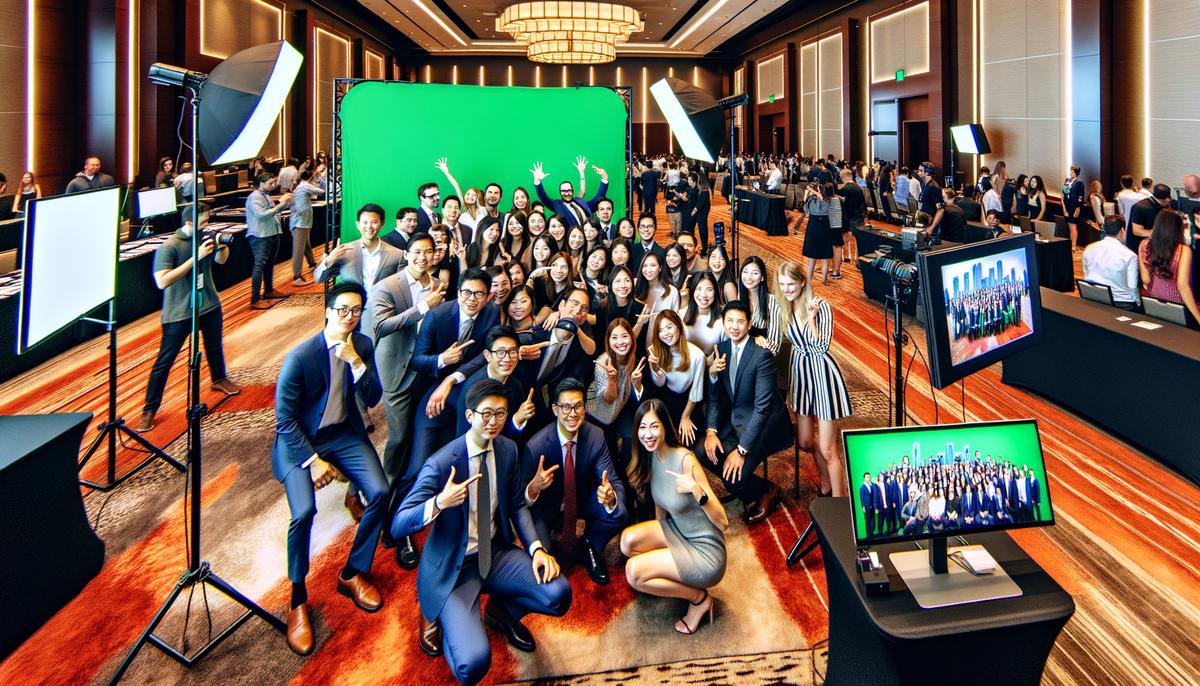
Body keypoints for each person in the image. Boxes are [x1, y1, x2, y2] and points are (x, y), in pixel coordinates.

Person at [392, 379, 571, 684]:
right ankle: (441, 615)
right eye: (486, 414)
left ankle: (500, 612)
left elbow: (516, 506)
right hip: (455, 567)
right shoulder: (439, 464)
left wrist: (537, 549)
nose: (493, 422)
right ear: (470, 416)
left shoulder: (508, 450)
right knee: (473, 664)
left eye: (500, 414)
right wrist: (438, 502)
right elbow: (398, 523)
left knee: (559, 594)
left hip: (495, 552)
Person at [273, 282, 389, 657]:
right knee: (304, 511)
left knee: (381, 492)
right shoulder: (300, 356)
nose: (349, 317)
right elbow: (284, 420)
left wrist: (356, 362)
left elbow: (373, 397)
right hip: (300, 443)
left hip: (342, 433)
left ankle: (352, 572)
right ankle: (297, 599)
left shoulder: (364, 345)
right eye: (342, 309)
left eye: (356, 310)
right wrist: (313, 460)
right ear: (327, 310)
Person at [364, 231, 443, 566]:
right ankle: (385, 509)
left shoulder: (437, 282)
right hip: (397, 371)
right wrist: (424, 306)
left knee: (421, 439)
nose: (423, 258)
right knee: (398, 440)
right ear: (407, 255)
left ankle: (411, 503)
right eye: (417, 252)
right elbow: (381, 326)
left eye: (429, 252)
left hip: (426, 369)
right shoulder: (388, 286)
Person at [619, 399, 727, 635]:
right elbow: (661, 508)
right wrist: (660, 552)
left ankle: (699, 599)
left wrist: (698, 492)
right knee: (627, 541)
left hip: (706, 553)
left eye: (654, 426)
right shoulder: (652, 456)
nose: (648, 434)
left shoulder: (684, 460)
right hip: (676, 530)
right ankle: (672, 575)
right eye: (642, 427)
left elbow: (723, 522)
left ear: (665, 427)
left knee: (633, 572)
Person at [135, 206, 241, 433]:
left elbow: (222, 261)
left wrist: (220, 246)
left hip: (209, 304)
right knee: (165, 360)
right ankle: (149, 408)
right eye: (203, 221)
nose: (207, 224)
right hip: (179, 311)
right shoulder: (170, 247)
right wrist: (197, 257)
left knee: (214, 346)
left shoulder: (205, 238)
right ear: (189, 223)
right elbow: (162, 281)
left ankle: (219, 378)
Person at [409, 269, 501, 526]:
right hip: (431, 393)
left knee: (455, 464)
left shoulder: (492, 313)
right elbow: (417, 359)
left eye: (479, 294)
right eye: (467, 292)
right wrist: (442, 361)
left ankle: (452, 519)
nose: (472, 299)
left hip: (461, 394)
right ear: (458, 292)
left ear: (487, 296)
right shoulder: (437, 316)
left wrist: (452, 378)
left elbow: (485, 354)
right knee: (418, 466)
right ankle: (402, 524)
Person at [522, 379, 627, 585]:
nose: (573, 413)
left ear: (585, 408)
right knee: (543, 564)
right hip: (546, 508)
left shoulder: (596, 436)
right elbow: (520, 502)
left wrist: (610, 496)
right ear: (555, 409)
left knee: (618, 512)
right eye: (566, 407)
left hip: (581, 500)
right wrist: (533, 488)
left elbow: (612, 479)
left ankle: (589, 544)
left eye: (578, 406)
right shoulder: (536, 446)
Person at [703, 300, 792, 524]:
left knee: (733, 481)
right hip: (738, 419)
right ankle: (741, 480)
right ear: (723, 323)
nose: (734, 326)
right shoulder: (721, 349)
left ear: (749, 324)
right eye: (730, 321)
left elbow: (762, 409)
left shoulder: (761, 355)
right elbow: (715, 395)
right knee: (702, 450)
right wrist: (712, 430)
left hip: (765, 426)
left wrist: (741, 451)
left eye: (740, 322)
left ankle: (768, 490)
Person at [776, 261, 853, 497]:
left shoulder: (820, 306)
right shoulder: (783, 308)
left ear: (802, 282)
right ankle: (825, 478)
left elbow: (821, 347)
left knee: (828, 449)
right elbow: (776, 342)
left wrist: (811, 319)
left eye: (790, 284)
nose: (786, 289)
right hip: (800, 374)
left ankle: (839, 502)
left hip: (822, 375)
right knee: (806, 442)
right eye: (782, 284)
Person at [587, 318, 641, 484]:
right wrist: (612, 379)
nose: (620, 342)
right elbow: (608, 399)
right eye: (614, 338)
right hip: (597, 416)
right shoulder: (603, 363)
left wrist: (637, 384)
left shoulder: (630, 358)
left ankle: (631, 478)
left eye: (625, 336)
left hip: (619, 410)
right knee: (607, 463)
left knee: (630, 439)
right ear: (608, 341)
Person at [314, 203, 402, 292]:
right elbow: (318, 278)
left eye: (374, 222)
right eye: (365, 222)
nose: (369, 226)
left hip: (382, 305)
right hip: (352, 304)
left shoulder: (396, 254)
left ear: (382, 223)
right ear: (358, 224)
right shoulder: (344, 251)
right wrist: (330, 260)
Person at [1138, 210, 1200, 326]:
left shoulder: (1144, 245)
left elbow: (1146, 281)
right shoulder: (1183, 250)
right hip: (1177, 304)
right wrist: (1198, 316)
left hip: (1153, 301)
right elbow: (1182, 286)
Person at [245, 172, 293, 309]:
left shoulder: (265, 195)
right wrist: (280, 205)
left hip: (272, 233)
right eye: (270, 183)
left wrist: (285, 203)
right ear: (261, 183)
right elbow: (261, 215)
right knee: (259, 265)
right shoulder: (254, 198)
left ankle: (269, 290)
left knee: (270, 263)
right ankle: (255, 299)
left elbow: (273, 211)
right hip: (260, 235)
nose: (273, 185)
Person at [1082, 215, 1141, 310]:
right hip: (1122, 303)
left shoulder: (1089, 249)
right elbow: (1132, 287)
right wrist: (1138, 303)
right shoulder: (1129, 256)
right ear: (1122, 230)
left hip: (1094, 298)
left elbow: (1086, 276)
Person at [531, 160, 608, 228]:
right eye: (563, 191)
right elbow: (543, 197)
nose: (566, 193)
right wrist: (537, 181)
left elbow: (598, 198)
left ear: (572, 191)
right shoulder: (557, 205)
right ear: (560, 193)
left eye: (568, 190)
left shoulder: (582, 203)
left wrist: (604, 178)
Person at [288, 170, 324, 285]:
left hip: (302, 222)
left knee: (306, 245)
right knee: (298, 250)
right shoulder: (305, 186)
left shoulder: (300, 186)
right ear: (310, 178)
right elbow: (321, 191)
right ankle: (297, 276)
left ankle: (312, 264)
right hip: (299, 223)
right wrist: (319, 179)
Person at [801, 183, 835, 283]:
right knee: (825, 258)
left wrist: (812, 193)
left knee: (811, 259)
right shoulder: (831, 201)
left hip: (813, 229)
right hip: (825, 229)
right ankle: (824, 280)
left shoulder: (811, 200)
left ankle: (808, 280)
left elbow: (806, 211)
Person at [1128, 183, 1172, 253]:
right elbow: (1137, 231)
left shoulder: (1161, 205)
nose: (1169, 200)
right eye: (1168, 198)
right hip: (1138, 247)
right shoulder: (1140, 207)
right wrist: (1158, 233)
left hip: (1152, 245)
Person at [1062, 165, 1085, 248]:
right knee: (1070, 226)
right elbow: (1063, 194)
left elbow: (1080, 196)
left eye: (1072, 171)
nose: (1070, 172)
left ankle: (1073, 245)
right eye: (1070, 171)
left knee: (1073, 226)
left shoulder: (1079, 183)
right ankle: (1071, 244)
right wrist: (1063, 207)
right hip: (1067, 206)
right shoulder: (1067, 180)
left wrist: (1078, 208)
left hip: (1074, 207)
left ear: (1076, 173)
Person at [689, 172, 712, 251]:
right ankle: (704, 245)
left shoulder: (704, 190)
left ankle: (704, 247)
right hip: (703, 210)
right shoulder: (702, 189)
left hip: (703, 211)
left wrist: (695, 210)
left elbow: (701, 202)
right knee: (702, 228)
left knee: (702, 228)